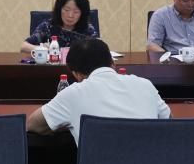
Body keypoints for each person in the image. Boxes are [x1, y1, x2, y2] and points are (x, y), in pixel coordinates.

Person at [27, 37, 171, 144]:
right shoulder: (145, 85)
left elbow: (32, 125)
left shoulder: (73, 93)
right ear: (113, 63)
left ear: (76, 74)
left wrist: (65, 123)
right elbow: (169, 122)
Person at [22, 0, 98, 54]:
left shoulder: (87, 29)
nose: (70, 15)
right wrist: (45, 49)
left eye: (76, 12)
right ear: (59, 9)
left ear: (82, 14)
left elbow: (99, 52)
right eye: (66, 10)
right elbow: (24, 46)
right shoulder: (48, 26)